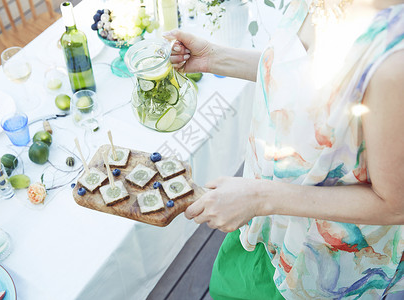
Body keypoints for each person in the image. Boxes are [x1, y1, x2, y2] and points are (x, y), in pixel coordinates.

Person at [164, 0, 404, 298]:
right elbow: (293, 71)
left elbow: (395, 204)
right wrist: (214, 58)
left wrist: (261, 197)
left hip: (318, 266)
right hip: (261, 230)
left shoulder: (395, 63)